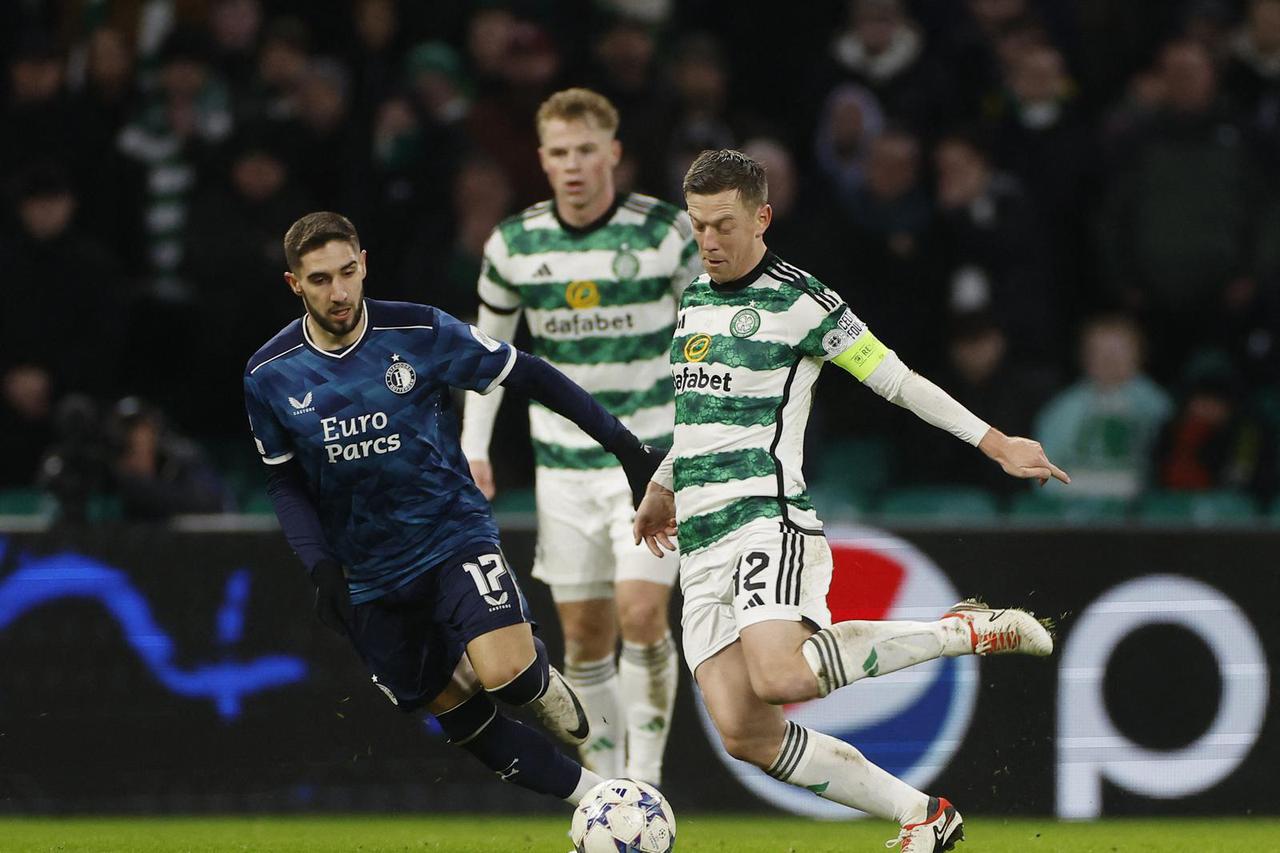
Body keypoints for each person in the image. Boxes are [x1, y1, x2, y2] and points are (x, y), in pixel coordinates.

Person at [633, 150, 1068, 850]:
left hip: (765, 520)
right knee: (744, 731)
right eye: (697, 226)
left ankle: (966, 631)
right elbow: (699, 417)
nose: (708, 241)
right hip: (701, 541)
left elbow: (894, 378)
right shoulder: (693, 299)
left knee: (780, 674)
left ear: (762, 217)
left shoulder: (801, 300)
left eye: (723, 224)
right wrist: (661, 484)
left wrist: (993, 441)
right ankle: (923, 815)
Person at [243, 211, 664, 809]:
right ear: (294, 285)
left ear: (364, 263)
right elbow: (284, 485)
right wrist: (321, 567)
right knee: (460, 716)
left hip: (450, 536)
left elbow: (532, 375)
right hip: (367, 575)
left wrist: (626, 449)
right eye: (319, 280)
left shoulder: (418, 332)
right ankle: (602, 802)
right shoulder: (268, 374)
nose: (338, 292)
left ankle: (540, 681)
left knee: (510, 679)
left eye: (346, 272)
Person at [460, 88, 702, 784]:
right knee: (586, 637)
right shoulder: (514, 244)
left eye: (586, 151)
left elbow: (702, 338)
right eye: (560, 153)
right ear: (542, 159)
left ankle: (649, 784)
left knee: (640, 610)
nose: (573, 165)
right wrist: (475, 445)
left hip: (651, 462)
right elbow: (487, 354)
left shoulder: (665, 235)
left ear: (614, 154)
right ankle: (610, 792)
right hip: (562, 468)